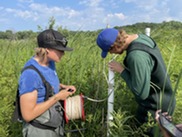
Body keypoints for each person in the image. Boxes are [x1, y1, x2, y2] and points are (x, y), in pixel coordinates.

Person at [96, 28, 176, 136]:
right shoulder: (141, 38)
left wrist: (122, 70)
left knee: (142, 133)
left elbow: (141, 93)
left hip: (155, 108)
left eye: (109, 50)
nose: (111, 53)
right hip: (164, 98)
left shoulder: (136, 56)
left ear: (114, 46)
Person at [18, 29, 76, 137]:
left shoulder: (50, 63)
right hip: (40, 130)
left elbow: (44, 84)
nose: (63, 53)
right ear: (47, 50)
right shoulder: (30, 75)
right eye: (60, 50)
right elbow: (28, 115)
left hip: (53, 124)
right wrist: (57, 97)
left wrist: (63, 87)